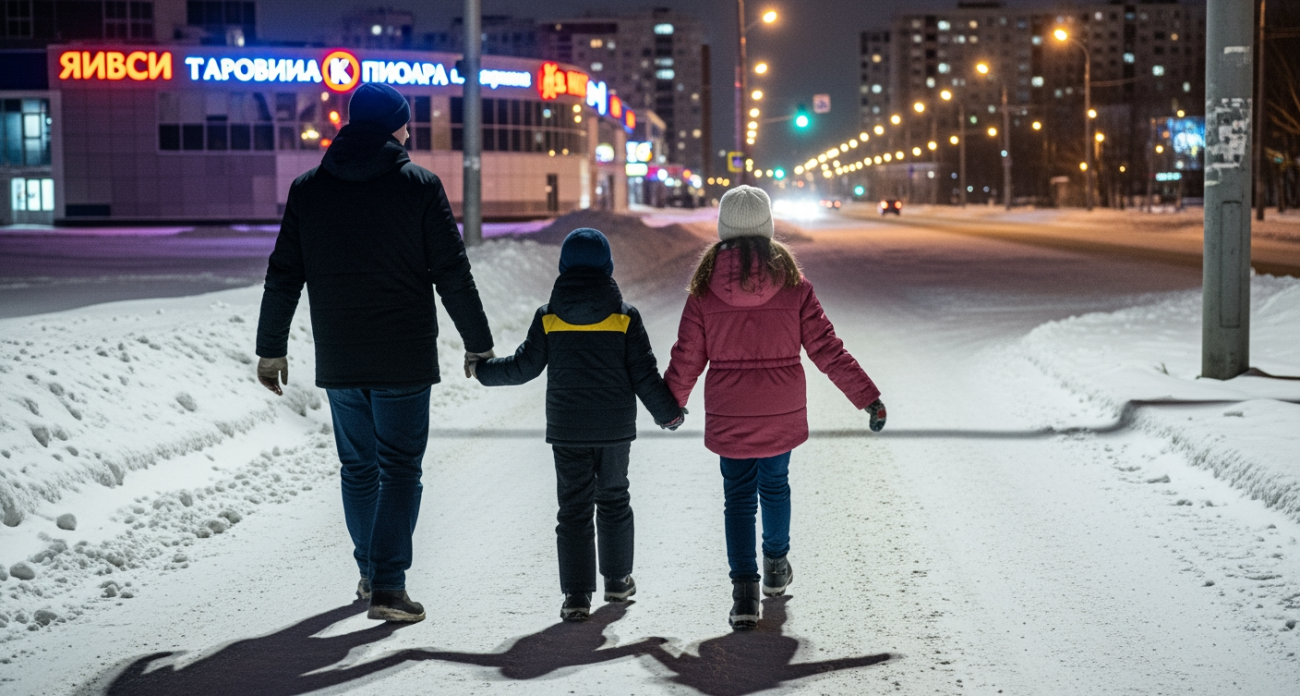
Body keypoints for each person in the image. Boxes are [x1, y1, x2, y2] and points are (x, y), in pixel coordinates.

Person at [254, 83, 495, 624]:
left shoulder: (309, 189)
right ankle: (389, 584)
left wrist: (271, 349)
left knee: (359, 468)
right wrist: (478, 341)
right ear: (393, 126)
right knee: (400, 468)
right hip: (403, 355)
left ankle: (369, 571)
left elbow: (284, 274)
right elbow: (451, 272)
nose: (410, 133)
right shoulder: (419, 186)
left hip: (341, 355)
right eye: (406, 124)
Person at [663, 185, 887, 630]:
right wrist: (867, 396)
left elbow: (687, 357)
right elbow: (827, 349)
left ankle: (743, 595)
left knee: (738, 500)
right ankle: (776, 567)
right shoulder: (794, 286)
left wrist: (670, 405)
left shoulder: (704, 291)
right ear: (767, 227)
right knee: (776, 486)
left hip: (731, 414)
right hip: (781, 411)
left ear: (723, 230)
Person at [474, 228, 684, 622]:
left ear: (563, 267)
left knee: (573, 509)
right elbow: (643, 374)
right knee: (614, 500)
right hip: (614, 429)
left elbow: (524, 368)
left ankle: (575, 596)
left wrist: (484, 371)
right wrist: (667, 413)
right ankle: (618, 580)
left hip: (568, 429)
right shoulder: (624, 318)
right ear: (608, 266)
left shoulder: (549, 318)